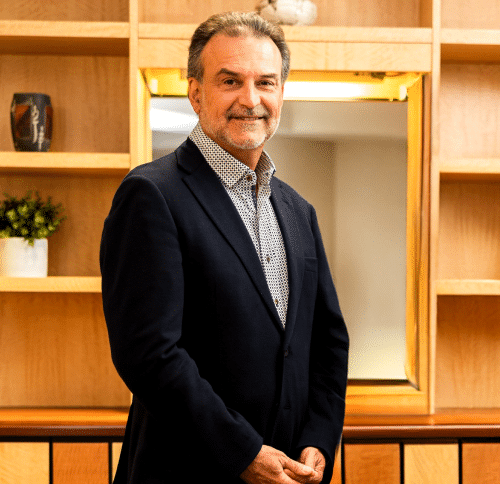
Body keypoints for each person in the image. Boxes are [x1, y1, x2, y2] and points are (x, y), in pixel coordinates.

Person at [100, 11, 349, 484]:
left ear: (281, 93)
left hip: (289, 474)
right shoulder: (151, 195)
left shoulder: (299, 211)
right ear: (195, 92)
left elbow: (326, 343)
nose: (250, 99)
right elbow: (149, 354)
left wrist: (319, 435)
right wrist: (243, 453)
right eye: (230, 81)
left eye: (266, 82)